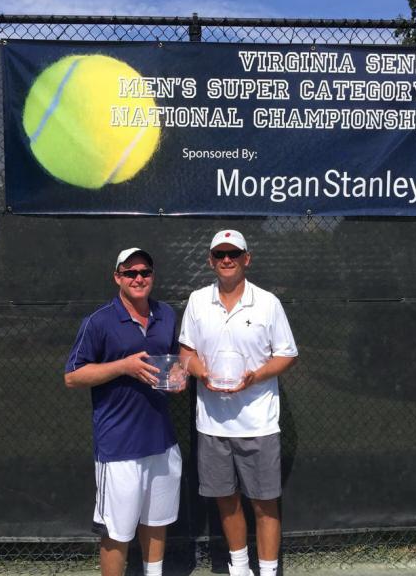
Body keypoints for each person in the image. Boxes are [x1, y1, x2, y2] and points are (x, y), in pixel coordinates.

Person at [179, 230, 298, 576]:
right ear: (210, 261)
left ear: (247, 258)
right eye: (220, 254)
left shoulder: (267, 303)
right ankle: (240, 568)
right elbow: (186, 351)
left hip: (258, 423)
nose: (226, 259)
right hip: (212, 424)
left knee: (265, 505)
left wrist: (254, 377)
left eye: (234, 253)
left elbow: (287, 354)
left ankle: (268, 570)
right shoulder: (198, 301)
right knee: (226, 500)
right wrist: (204, 375)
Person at [64, 247, 185, 576]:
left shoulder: (167, 315)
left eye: (145, 272)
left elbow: (175, 361)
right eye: (130, 273)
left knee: (156, 521)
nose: (138, 278)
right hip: (119, 447)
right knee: (116, 533)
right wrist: (124, 367)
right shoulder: (99, 321)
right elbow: (73, 376)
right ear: (117, 277)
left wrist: (177, 376)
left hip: (162, 441)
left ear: (152, 277)